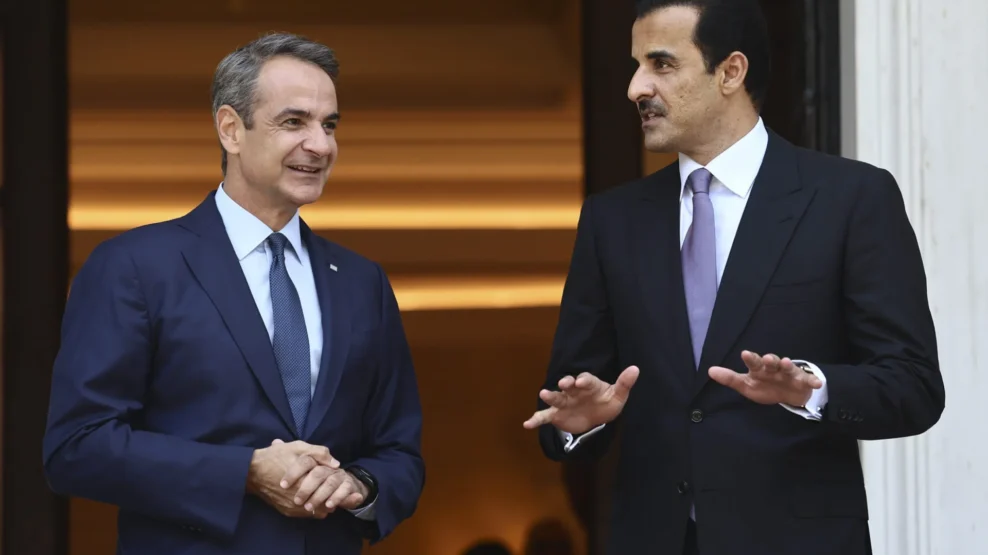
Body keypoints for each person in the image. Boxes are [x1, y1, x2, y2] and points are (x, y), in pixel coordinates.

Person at [522, 1, 944, 554]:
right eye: (636, 65)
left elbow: (914, 386)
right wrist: (579, 423)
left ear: (730, 72)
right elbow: (570, 399)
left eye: (661, 64)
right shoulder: (612, 221)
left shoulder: (851, 199)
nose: (635, 88)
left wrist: (813, 388)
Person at [43, 32, 425, 554]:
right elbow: (76, 447)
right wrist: (244, 472)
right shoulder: (135, 267)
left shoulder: (363, 283)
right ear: (230, 129)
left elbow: (400, 453)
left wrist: (359, 486)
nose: (321, 145)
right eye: (294, 122)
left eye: (329, 124)